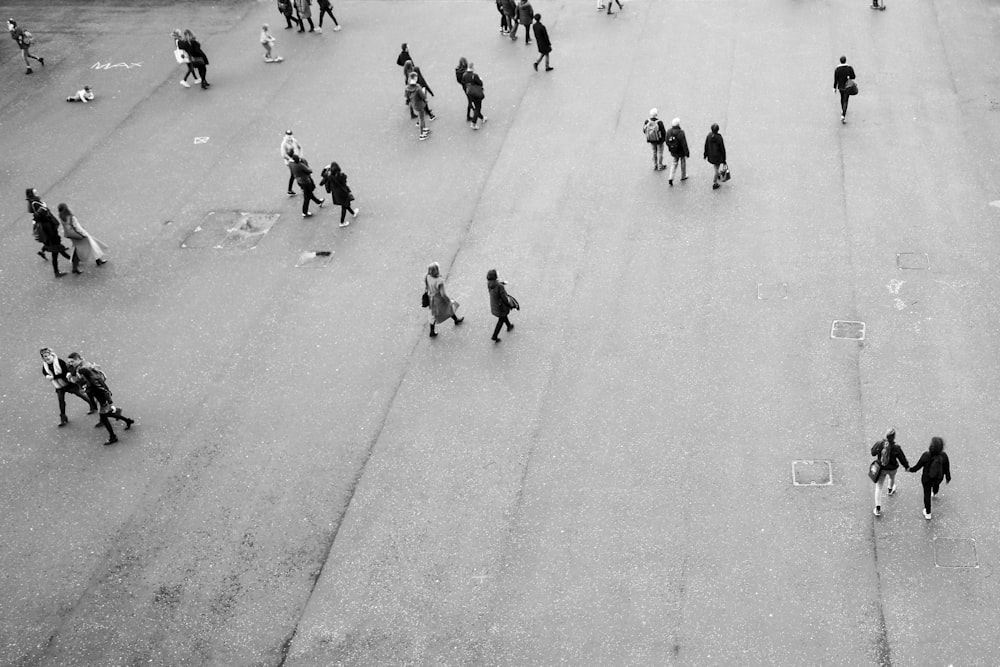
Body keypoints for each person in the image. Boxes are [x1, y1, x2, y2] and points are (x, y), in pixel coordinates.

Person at [66, 353, 135, 446]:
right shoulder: (86, 370)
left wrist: (75, 381)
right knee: (107, 414)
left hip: (101, 398)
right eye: (69, 362)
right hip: (99, 397)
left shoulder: (88, 376)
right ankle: (127, 421)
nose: (70, 363)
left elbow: (100, 388)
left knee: (104, 416)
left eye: (72, 361)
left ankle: (113, 436)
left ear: (79, 360)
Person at [40, 348, 97, 427]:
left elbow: (64, 372)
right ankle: (63, 418)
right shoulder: (45, 365)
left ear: (51, 354)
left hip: (67, 383)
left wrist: (53, 377)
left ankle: (92, 405)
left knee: (79, 394)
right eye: (44, 356)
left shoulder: (59, 361)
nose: (47, 357)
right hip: (58, 385)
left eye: (48, 355)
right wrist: (47, 376)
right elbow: (44, 372)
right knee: (61, 401)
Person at [27, 188, 70, 277]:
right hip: (51, 237)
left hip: (50, 238)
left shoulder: (35, 202)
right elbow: (51, 233)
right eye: (34, 191)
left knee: (58, 250)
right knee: (56, 252)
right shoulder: (37, 206)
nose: (36, 192)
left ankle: (71, 261)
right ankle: (59, 270)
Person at [57, 204, 109, 274]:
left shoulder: (62, 218)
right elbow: (77, 227)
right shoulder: (71, 217)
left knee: (78, 249)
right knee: (89, 246)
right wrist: (85, 234)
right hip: (79, 235)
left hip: (72, 236)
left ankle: (96, 261)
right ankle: (97, 261)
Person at [908, 436, 952, 520]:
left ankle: (928, 512)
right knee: (936, 484)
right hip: (938, 477)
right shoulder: (943, 456)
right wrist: (948, 477)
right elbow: (947, 467)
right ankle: (935, 492)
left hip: (927, 478)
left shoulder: (926, 455)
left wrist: (910, 469)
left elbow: (918, 466)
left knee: (926, 494)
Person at [870, 429, 910, 517]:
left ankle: (877, 509)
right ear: (894, 437)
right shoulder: (897, 448)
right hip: (892, 469)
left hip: (881, 468)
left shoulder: (880, 444)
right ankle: (890, 489)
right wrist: (906, 466)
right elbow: (902, 458)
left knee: (879, 487)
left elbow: (872, 452)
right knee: (892, 478)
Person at [424, 262, 463, 338]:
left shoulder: (427, 276)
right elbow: (443, 294)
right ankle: (456, 320)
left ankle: (432, 331)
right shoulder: (439, 281)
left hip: (431, 298)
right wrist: (449, 301)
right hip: (439, 299)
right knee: (449, 308)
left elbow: (427, 286)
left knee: (432, 314)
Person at [320, 162, 358, 227]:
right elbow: (345, 180)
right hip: (343, 193)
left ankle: (353, 213)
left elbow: (323, 174)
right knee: (345, 206)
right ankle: (342, 222)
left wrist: (325, 168)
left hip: (336, 194)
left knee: (346, 205)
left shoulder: (330, 177)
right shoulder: (341, 176)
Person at [487, 269, 515, 343]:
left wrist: (502, 283)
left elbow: (496, 284)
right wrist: (510, 304)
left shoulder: (489, 283)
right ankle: (494, 336)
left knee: (503, 316)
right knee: (501, 319)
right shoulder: (500, 286)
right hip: (500, 307)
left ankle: (509, 326)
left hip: (494, 305)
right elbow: (504, 298)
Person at [406, 72, 431, 141]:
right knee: (421, 119)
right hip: (420, 105)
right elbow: (423, 96)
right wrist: (423, 91)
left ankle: (424, 128)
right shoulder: (418, 87)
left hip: (414, 104)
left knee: (421, 117)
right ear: (415, 78)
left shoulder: (407, 88)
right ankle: (422, 134)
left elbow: (407, 96)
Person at [665, 118, 689, 186]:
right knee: (683, 162)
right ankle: (683, 175)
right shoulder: (681, 132)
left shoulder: (669, 131)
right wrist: (687, 152)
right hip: (681, 151)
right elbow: (684, 144)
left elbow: (666, 141)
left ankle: (671, 177)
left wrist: (670, 147)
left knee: (674, 163)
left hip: (674, 151)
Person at [703, 123, 727, 189]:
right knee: (716, 168)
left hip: (711, 155)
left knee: (715, 167)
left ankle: (717, 175)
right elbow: (722, 148)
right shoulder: (719, 138)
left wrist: (705, 154)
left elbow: (706, 145)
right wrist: (724, 159)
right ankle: (715, 182)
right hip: (718, 156)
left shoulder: (709, 136)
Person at [462, 63, 487, 130]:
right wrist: (480, 79)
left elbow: (464, 83)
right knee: (478, 108)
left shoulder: (464, 75)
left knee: (476, 107)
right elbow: (480, 83)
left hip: (470, 94)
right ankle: (473, 123)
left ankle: (482, 118)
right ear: (472, 68)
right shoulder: (474, 75)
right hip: (476, 94)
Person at [833, 55, 856, 124]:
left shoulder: (837, 69)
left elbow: (835, 79)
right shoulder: (849, 68)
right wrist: (849, 77)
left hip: (841, 87)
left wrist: (834, 88)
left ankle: (842, 109)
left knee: (842, 98)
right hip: (847, 87)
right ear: (845, 60)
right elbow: (853, 76)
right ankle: (843, 115)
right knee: (846, 100)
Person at [281, 130, 303, 195]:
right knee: (295, 174)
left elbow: (299, 147)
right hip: (290, 162)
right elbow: (283, 155)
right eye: (288, 136)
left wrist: (300, 155)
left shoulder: (294, 140)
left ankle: (290, 190)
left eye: (290, 136)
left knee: (295, 174)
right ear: (285, 136)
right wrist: (291, 159)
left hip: (296, 159)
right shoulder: (284, 144)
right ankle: (301, 186)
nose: (289, 137)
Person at [456, 57, 473, 122]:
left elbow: (458, 80)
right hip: (469, 87)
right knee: (470, 100)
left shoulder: (457, 70)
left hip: (464, 87)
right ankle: (468, 115)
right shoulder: (466, 71)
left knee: (470, 99)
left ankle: (471, 111)